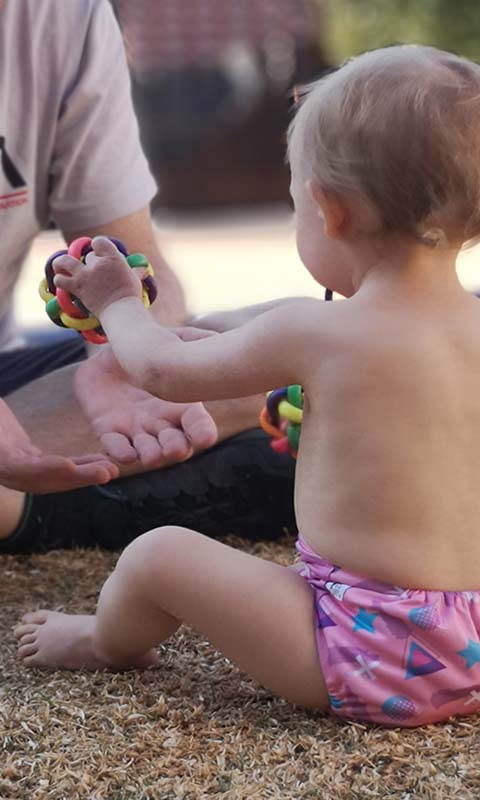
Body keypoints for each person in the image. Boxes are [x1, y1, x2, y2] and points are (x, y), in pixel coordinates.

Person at [13, 45, 480, 727]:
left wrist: (118, 302)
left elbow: (160, 372)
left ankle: (100, 641)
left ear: (329, 211)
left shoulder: (314, 332)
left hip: (381, 657)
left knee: (159, 555)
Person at [0, 0, 296, 553]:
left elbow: (133, 262)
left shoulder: (66, 17)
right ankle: (45, 510)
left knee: (285, 342)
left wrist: (139, 355)